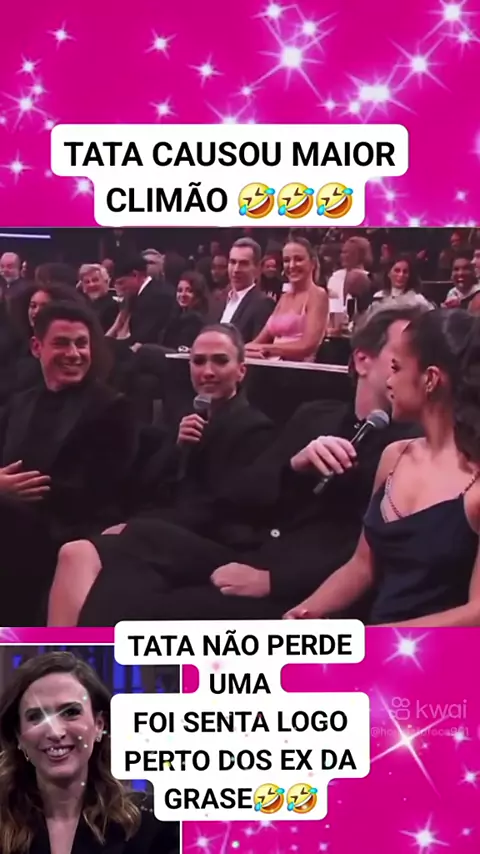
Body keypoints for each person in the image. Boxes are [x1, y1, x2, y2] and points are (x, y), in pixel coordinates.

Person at [48, 305, 423, 626]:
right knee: (110, 552)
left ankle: (83, 672)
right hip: (248, 547)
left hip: (296, 582)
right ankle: (65, 672)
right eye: (404, 353)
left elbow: (363, 554)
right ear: (362, 359)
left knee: (134, 602)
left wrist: (274, 579)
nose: (415, 366)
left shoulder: (410, 447)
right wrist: (294, 465)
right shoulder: (315, 415)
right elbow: (246, 494)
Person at [48, 324, 275, 625]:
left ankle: (61, 651)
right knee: (78, 558)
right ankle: (63, 651)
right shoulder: (188, 419)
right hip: (166, 533)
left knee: (78, 554)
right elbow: (149, 483)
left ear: (241, 370)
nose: (207, 371)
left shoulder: (254, 428)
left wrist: (138, 528)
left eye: (220, 361)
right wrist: (177, 448)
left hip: (212, 542)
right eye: (198, 361)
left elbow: (221, 506)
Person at [285, 309, 480, 627]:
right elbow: (362, 566)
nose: (389, 381)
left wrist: (371, 640)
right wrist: (303, 613)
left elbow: (477, 613)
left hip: (439, 652)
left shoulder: (476, 483)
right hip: (375, 640)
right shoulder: (394, 456)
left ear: (430, 379)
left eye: (396, 368)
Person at [0, 301, 138, 625]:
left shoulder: (112, 408)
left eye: (81, 343)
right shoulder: (22, 401)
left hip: (72, 530)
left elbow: (97, 493)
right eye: (62, 343)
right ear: (37, 347)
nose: (74, 354)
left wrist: (8, 493)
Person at [0, 651, 179, 854]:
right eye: (36, 717)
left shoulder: (155, 822)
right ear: (19, 736)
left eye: (71, 712)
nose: (55, 732)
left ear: (99, 725)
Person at [0, 283, 84, 404]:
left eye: (44, 306)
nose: (36, 311)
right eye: (33, 306)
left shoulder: (65, 351)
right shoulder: (18, 342)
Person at [245, 238, 328, 362]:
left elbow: (308, 346)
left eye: (298, 259)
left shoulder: (318, 295)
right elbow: (258, 341)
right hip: (273, 366)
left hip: (299, 369)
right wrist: (241, 349)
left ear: (313, 263)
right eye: (287, 260)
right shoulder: (284, 297)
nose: (292, 265)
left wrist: (266, 349)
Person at [211, 238, 275, 341]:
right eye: (232, 262)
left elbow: (259, 346)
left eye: (243, 263)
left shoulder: (263, 303)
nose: (236, 269)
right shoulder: (218, 299)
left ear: (257, 268)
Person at [108, 256, 174, 346]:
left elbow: (143, 338)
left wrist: (108, 345)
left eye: (121, 283)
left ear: (135, 275)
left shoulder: (157, 297)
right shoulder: (143, 295)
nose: (118, 289)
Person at [157, 271, 208, 350]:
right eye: (179, 290)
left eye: (189, 291)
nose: (183, 295)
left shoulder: (196, 320)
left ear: (198, 294)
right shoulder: (174, 316)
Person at [77, 264, 118, 332]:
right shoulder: (81, 306)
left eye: (95, 280)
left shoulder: (114, 306)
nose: (91, 285)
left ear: (106, 281)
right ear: (83, 287)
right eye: (87, 282)